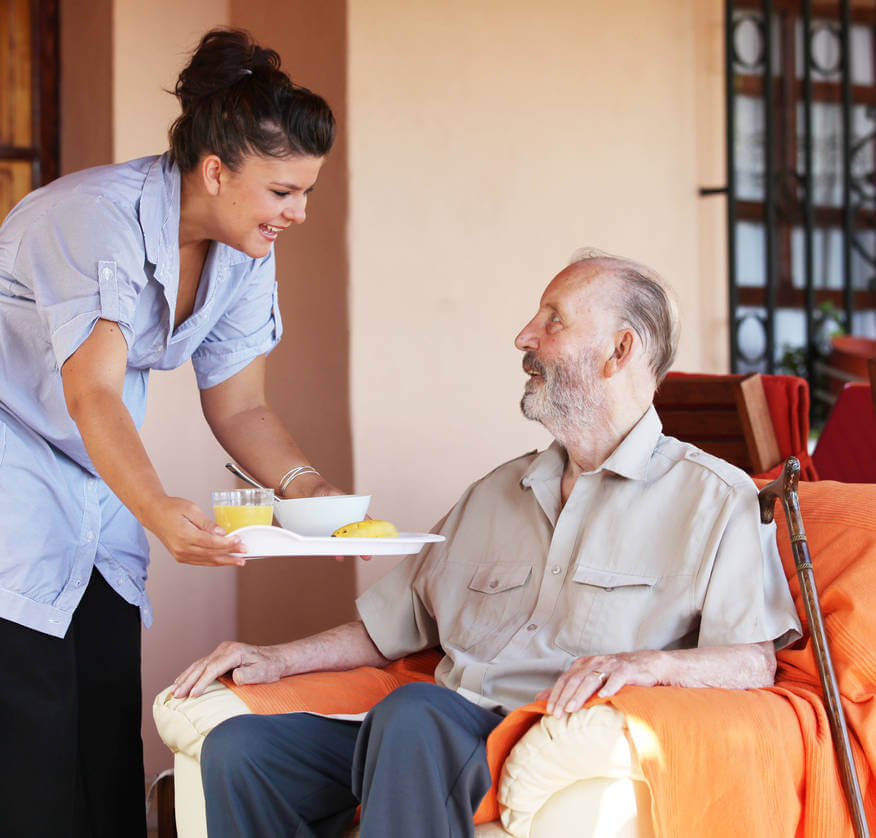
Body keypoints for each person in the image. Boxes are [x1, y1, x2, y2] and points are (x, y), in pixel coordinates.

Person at [172, 249, 802, 838]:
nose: (525, 337)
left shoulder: (716, 499)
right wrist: (278, 659)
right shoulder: (495, 492)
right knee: (240, 750)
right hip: (431, 732)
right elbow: (391, 625)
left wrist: (649, 666)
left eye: (552, 321)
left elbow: (751, 661)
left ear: (619, 351)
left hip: (540, 731)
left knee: (415, 714)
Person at [0, 27, 347, 838]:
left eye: (306, 193)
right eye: (282, 192)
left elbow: (239, 408)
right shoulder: (92, 219)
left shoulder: (242, 247)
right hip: (13, 471)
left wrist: (310, 494)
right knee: (30, 747)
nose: (297, 214)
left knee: (108, 733)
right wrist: (159, 510)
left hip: (97, 478)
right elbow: (90, 393)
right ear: (216, 170)